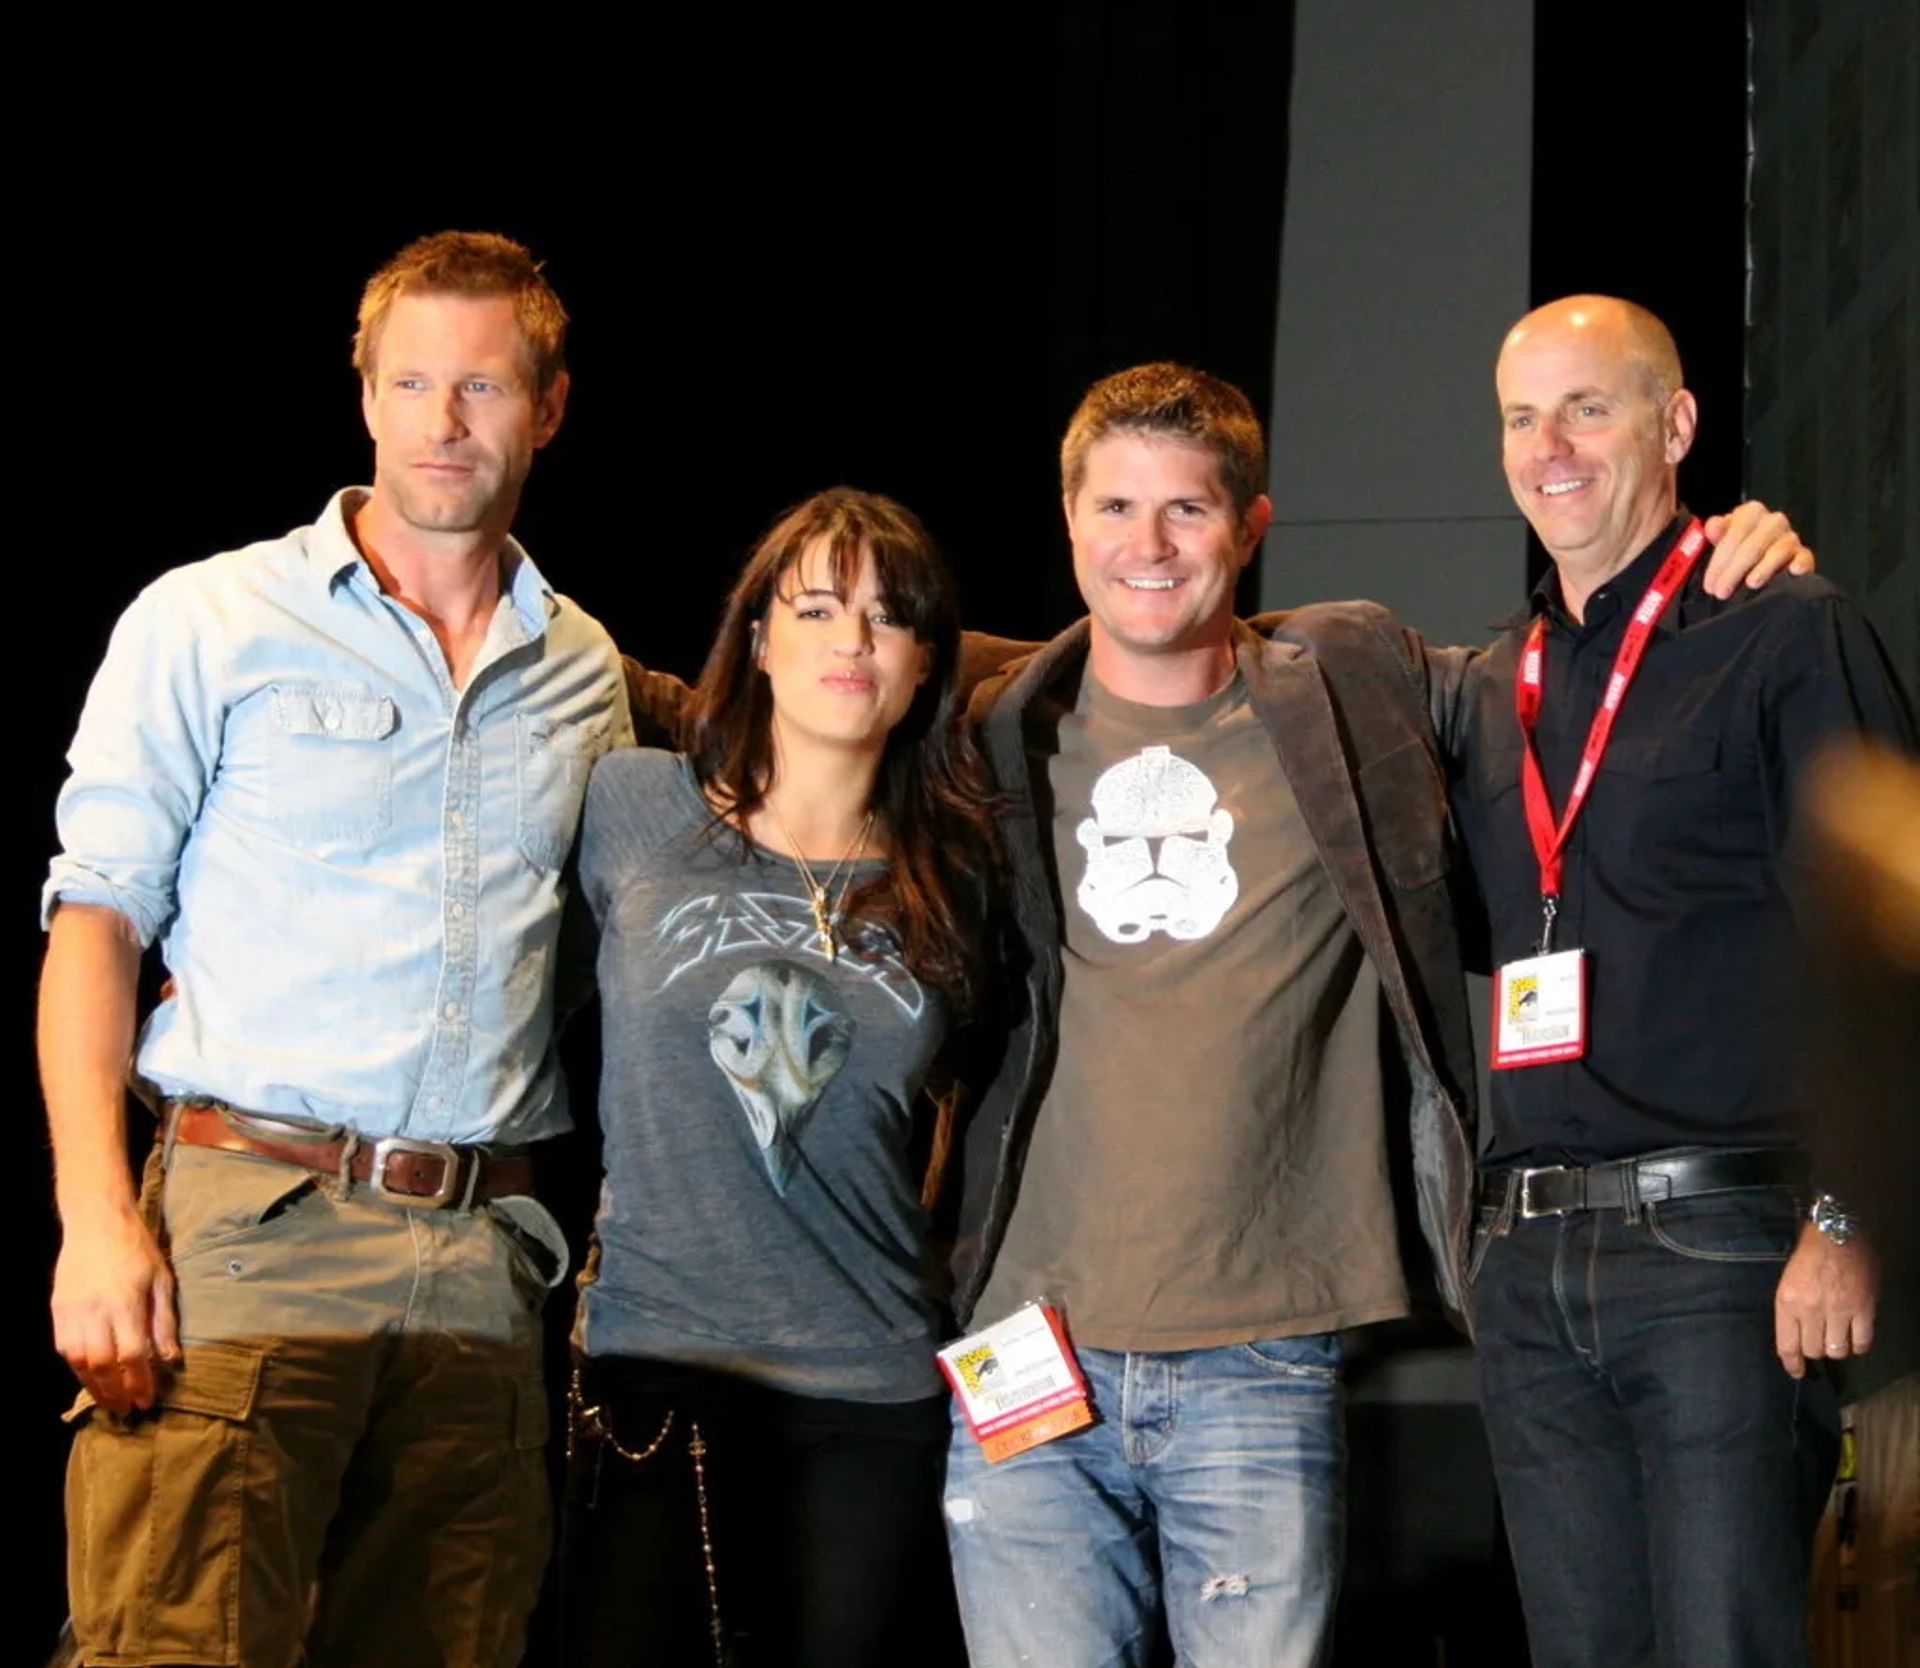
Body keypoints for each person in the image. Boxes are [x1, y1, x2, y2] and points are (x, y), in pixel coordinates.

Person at [937, 360, 1812, 1668]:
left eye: (1186, 509)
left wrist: (1717, 551)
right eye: (1114, 507)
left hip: (1259, 1362)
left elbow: (1582, 664)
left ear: (1252, 524)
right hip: (1024, 1350)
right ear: (1066, 520)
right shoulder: (985, 727)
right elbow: (757, 703)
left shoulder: (1353, 686)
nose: (1149, 545)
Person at [37, 232, 631, 1668]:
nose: (443, 423)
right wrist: (98, 1224)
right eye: (411, 381)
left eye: (482, 386)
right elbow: (96, 922)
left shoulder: (586, 670)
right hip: (250, 1234)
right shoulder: (212, 618)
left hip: (483, 1259)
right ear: (363, 393)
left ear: (546, 408)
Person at [1441, 295, 1915, 1668]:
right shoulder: (1490, 686)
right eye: (1522, 417)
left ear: (1677, 423)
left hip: (1722, 1257)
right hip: (1526, 1264)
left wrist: (1846, 1216)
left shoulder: (1785, 628)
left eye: (1590, 406)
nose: (1552, 447)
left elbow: (1889, 946)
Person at [559, 489, 998, 1667]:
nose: (851, 643)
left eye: (888, 619)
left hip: (869, 1387)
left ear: (923, 669)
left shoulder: (964, 873)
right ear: (756, 641)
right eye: (816, 609)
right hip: (654, 1366)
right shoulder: (631, 806)